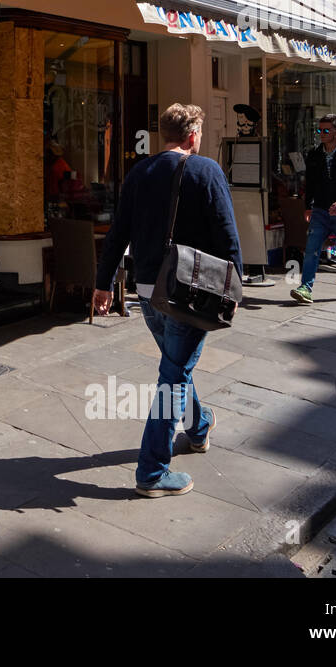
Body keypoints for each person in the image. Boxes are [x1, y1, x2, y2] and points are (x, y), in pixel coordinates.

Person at [93, 103, 242, 498]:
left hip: (147, 290)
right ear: (193, 135)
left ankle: (198, 428)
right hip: (189, 292)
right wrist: (236, 285)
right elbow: (227, 233)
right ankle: (152, 471)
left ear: (165, 134)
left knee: (176, 365)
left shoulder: (140, 172)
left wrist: (103, 282)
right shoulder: (206, 170)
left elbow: (117, 232)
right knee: (173, 378)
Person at [291, 114, 336, 305]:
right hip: (321, 211)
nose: (321, 134)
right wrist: (308, 207)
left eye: (326, 130)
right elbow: (311, 184)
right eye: (319, 130)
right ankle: (305, 288)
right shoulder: (314, 154)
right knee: (311, 249)